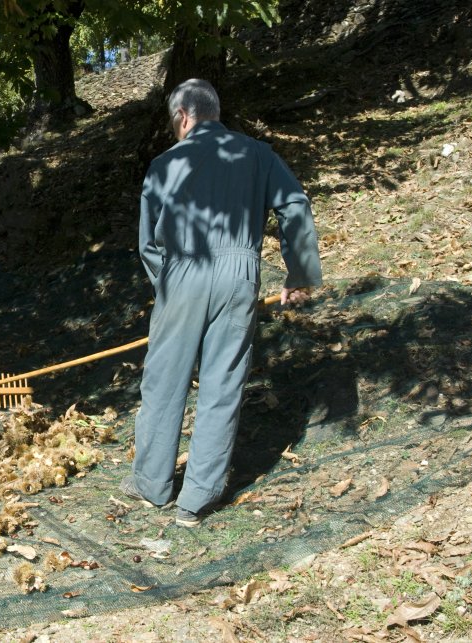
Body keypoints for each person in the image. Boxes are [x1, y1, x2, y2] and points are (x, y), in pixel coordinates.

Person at [120, 78, 323, 527]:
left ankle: (152, 485)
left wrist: (168, 288)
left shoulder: (163, 164)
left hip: (182, 272)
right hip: (240, 275)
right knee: (223, 382)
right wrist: (301, 272)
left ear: (182, 117)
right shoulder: (258, 154)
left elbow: (148, 244)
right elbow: (294, 204)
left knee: (164, 381)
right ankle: (196, 501)